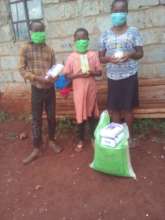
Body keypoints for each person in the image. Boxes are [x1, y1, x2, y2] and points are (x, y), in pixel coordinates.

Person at [99, 0, 144, 145]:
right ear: (111, 12)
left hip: (129, 76)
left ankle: (130, 138)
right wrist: (109, 59)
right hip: (113, 77)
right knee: (115, 109)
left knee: (128, 109)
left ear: (126, 12)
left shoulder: (134, 32)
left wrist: (129, 54)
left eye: (121, 11)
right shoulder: (105, 34)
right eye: (115, 11)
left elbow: (140, 53)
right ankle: (117, 138)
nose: (118, 14)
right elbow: (101, 58)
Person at [19, 21, 62, 165]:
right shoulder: (25, 49)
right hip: (36, 89)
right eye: (36, 31)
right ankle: (36, 147)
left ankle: (51, 140)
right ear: (30, 32)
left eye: (41, 30)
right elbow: (21, 69)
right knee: (36, 119)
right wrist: (37, 78)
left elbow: (55, 68)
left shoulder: (49, 49)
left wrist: (54, 76)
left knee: (51, 117)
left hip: (50, 89)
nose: (39, 33)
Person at [63, 28, 102, 152]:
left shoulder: (93, 55)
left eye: (84, 38)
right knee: (80, 114)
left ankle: (93, 137)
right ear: (74, 40)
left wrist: (91, 72)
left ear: (88, 39)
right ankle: (80, 139)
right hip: (79, 91)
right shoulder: (71, 57)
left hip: (91, 89)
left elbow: (99, 72)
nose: (82, 41)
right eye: (79, 39)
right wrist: (78, 75)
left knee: (91, 115)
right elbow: (67, 75)